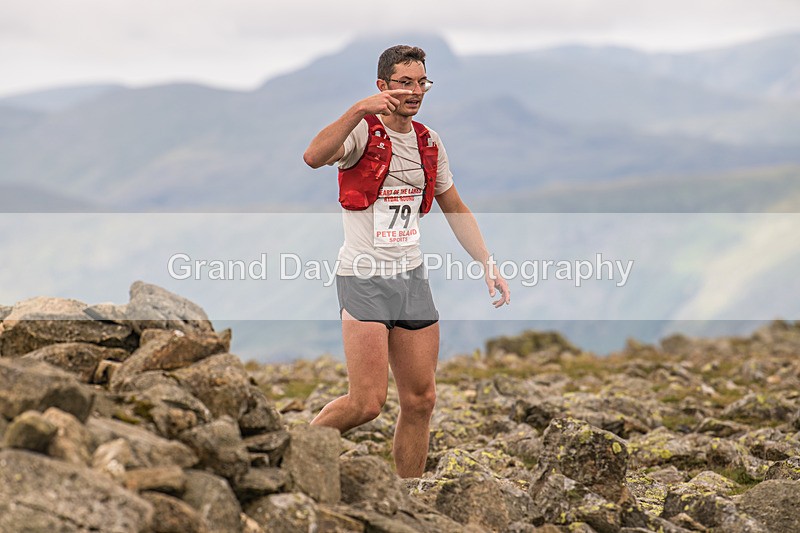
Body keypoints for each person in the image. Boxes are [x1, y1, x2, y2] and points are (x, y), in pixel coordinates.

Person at [303, 44, 510, 478]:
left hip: (411, 279)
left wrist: (487, 262)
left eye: (422, 83)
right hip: (363, 276)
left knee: (421, 400)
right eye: (404, 83)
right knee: (366, 403)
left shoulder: (429, 141)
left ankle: (408, 498)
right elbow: (313, 156)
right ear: (382, 86)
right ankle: (295, 453)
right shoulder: (361, 131)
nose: (415, 91)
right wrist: (359, 109)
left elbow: (455, 206)